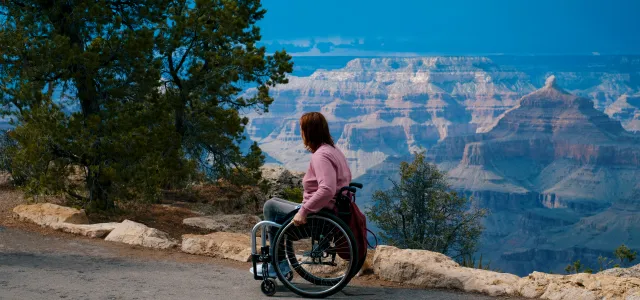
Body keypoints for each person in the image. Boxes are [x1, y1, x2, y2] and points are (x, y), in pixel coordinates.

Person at [251, 111, 353, 278]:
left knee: (270, 206)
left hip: (317, 216)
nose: (300, 133)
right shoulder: (334, 151)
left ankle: (278, 263)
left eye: (301, 129)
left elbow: (327, 188)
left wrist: (304, 211)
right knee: (275, 201)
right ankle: (278, 261)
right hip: (329, 211)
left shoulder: (321, 156)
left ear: (309, 132)